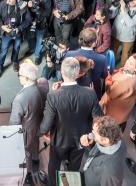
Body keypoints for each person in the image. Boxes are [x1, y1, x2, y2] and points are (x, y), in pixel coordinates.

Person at [39, 57, 101, 186]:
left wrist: (41, 132)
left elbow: (46, 124)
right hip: (81, 138)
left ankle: (53, 183)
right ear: (78, 73)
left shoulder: (53, 95)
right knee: (74, 166)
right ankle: (70, 183)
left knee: (54, 164)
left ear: (62, 72)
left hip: (59, 139)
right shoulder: (90, 93)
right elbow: (98, 117)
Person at [10, 61, 48, 182]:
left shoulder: (20, 99)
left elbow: (14, 123)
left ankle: (28, 174)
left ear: (26, 78)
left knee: (25, 152)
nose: (19, 77)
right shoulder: (43, 84)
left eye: (19, 75)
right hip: (38, 124)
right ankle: (36, 161)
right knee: (35, 144)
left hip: (26, 131)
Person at [99, 53, 136, 131]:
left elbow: (110, 93)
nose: (127, 63)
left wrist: (107, 80)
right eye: (128, 59)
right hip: (125, 112)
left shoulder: (122, 82)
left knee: (108, 133)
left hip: (113, 114)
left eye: (131, 63)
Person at [79, 116, 127, 186]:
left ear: (105, 140)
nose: (91, 134)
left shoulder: (110, 173)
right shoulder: (117, 140)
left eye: (94, 133)